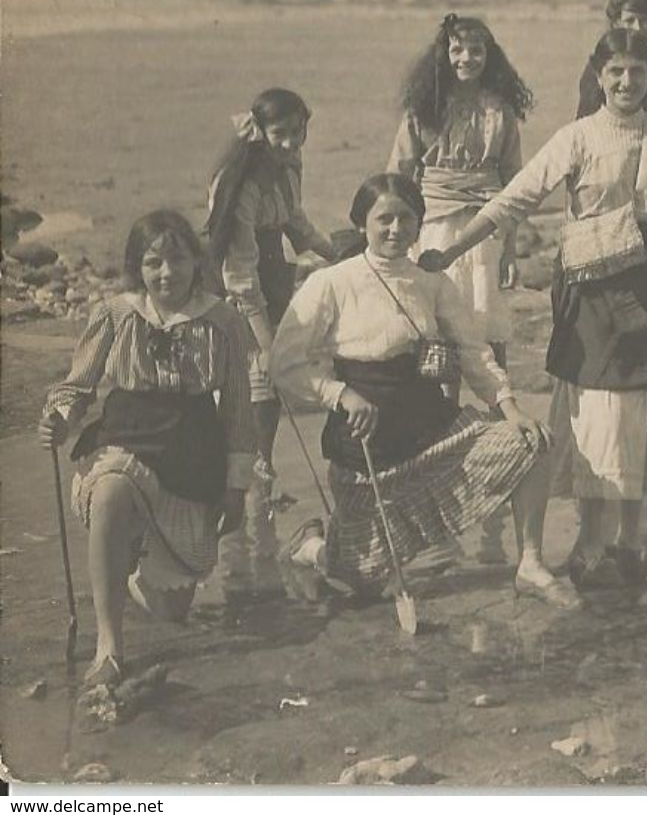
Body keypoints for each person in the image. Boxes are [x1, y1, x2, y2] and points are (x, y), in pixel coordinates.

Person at [421, 29, 647, 590]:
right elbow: (515, 198)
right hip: (594, 294)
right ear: (599, 76)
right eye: (616, 73)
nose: (627, 82)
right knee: (597, 414)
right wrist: (454, 249)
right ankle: (589, 541)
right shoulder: (577, 137)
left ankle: (632, 540)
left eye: (636, 72)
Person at [271, 175, 557, 601]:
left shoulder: (433, 282)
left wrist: (509, 406)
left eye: (407, 218)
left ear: (420, 223)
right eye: (383, 218)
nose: (395, 229)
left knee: (532, 442)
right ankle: (311, 547)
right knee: (358, 582)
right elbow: (283, 363)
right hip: (367, 449)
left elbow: (474, 353)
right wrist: (340, 395)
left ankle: (530, 564)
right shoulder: (330, 283)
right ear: (362, 222)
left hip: (433, 432)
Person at [39, 211, 259, 685]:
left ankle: (130, 567)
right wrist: (60, 417)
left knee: (169, 611)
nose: (166, 273)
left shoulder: (224, 322)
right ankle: (108, 646)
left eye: (177, 259)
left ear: (197, 262)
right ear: (137, 267)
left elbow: (239, 411)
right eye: (153, 262)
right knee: (111, 492)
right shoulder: (116, 315)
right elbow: (79, 386)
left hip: (192, 455)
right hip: (127, 436)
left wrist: (236, 486)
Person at [388, 13, 534, 564]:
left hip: (486, 230)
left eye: (475, 50)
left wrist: (512, 247)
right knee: (441, 345)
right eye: (457, 50)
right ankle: (442, 446)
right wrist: (396, 241)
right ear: (443, 55)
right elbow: (399, 176)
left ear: (488, 55)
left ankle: (502, 441)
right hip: (434, 229)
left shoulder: (501, 111)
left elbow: (515, 183)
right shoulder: (424, 108)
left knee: (490, 334)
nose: (466, 59)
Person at [203, 87, 338, 595]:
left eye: (297, 133)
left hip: (274, 270)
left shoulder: (290, 164)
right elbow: (239, 270)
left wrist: (332, 252)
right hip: (237, 280)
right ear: (259, 132)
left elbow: (295, 222)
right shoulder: (240, 183)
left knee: (268, 388)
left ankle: (261, 465)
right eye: (279, 135)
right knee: (255, 375)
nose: (289, 143)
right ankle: (242, 474)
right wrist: (263, 337)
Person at [575, 0, 647, 118]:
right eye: (630, 20)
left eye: (644, 21)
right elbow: (586, 119)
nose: (637, 28)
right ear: (616, 23)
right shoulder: (602, 65)